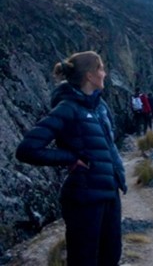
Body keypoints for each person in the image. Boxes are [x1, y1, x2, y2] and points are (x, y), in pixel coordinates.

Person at [16, 51, 127, 266]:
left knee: (111, 256)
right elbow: (27, 149)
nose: (104, 73)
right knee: (84, 260)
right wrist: (71, 157)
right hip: (84, 198)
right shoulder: (67, 108)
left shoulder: (100, 107)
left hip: (109, 194)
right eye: (101, 68)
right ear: (89, 75)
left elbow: (109, 147)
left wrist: (119, 179)